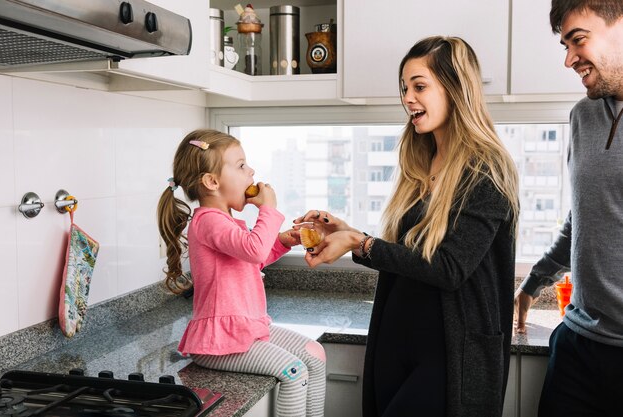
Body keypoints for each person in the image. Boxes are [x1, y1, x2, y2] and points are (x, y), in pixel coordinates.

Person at [295, 36, 519, 417]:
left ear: (455, 88)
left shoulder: (486, 173)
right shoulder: (421, 160)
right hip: (397, 339)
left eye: (419, 86)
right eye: (404, 88)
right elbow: (413, 254)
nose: (408, 98)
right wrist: (348, 233)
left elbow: (448, 269)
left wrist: (361, 244)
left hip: (449, 354)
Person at [157, 129, 326, 417]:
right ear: (211, 181)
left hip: (244, 330)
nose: (252, 171)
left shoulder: (226, 221)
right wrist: (268, 209)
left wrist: (283, 240)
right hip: (218, 342)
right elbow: (254, 250)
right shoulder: (208, 222)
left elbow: (251, 260)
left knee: (315, 355)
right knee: (294, 371)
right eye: (241, 165)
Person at [513, 1, 623, 415]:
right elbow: (584, 217)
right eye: (564, 44)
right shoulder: (583, 117)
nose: (568, 59)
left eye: (578, 39)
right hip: (578, 348)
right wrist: (533, 283)